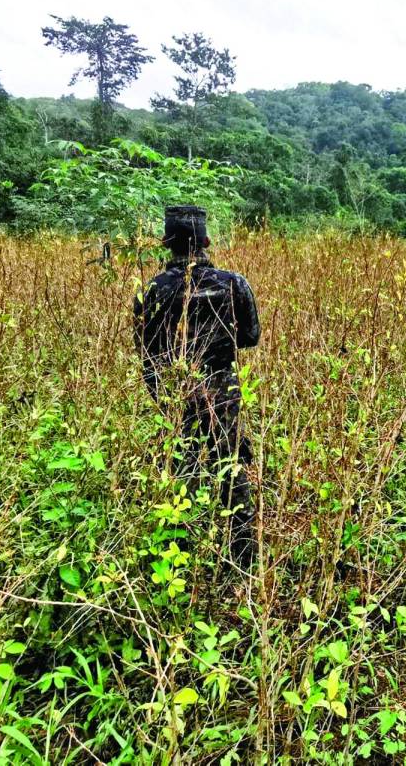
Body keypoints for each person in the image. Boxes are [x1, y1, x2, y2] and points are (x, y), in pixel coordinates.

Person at [133, 205, 261, 569]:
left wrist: (162, 395)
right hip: (223, 389)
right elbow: (250, 337)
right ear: (206, 241)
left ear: (165, 243)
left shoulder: (151, 291)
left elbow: (147, 352)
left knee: (182, 468)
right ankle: (242, 560)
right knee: (231, 466)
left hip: (175, 393)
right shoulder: (233, 282)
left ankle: (179, 561)